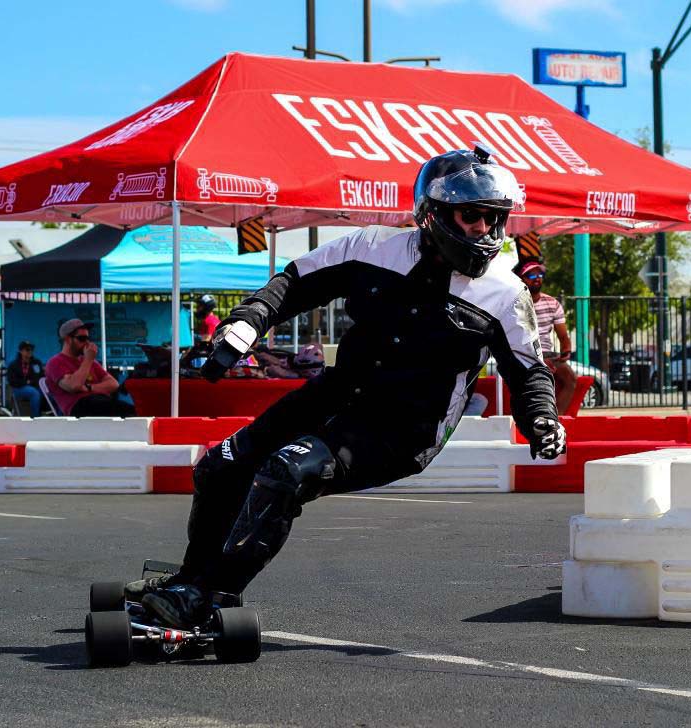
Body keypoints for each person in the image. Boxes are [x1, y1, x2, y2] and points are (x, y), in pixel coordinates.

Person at [132, 145, 566, 628]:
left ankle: (212, 594)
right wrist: (245, 323)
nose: (484, 230)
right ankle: (190, 580)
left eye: (494, 217)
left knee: (286, 472)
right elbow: (293, 284)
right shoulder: (371, 247)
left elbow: (530, 373)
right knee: (220, 467)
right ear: (432, 214)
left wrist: (541, 419)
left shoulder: (506, 295)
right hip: (336, 394)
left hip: (403, 429)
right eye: (471, 216)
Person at [515, 260, 577, 415]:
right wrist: (540, 360)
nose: (537, 278)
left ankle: (556, 419)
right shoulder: (516, 303)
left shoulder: (552, 303)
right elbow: (517, 338)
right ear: (522, 279)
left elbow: (563, 336)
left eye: (540, 274)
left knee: (571, 379)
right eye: (531, 274)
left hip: (548, 353)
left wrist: (566, 351)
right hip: (525, 354)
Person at [44, 319, 133, 417]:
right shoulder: (56, 362)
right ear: (68, 339)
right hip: (78, 407)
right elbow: (74, 386)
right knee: (129, 412)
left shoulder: (89, 361)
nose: (87, 343)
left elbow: (114, 384)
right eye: (82, 338)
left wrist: (88, 388)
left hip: (99, 401)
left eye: (88, 338)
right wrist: (88, 360)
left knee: (134, 411)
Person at [6, 340, 45, 417]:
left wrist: (30, 382)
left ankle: (57, 417)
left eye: (31, 349)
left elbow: (40, 376)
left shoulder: (36, 363)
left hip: (35, 386)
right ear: (21, 351)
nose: (30, 351)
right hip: (18, 388)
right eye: (27, 349)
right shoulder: (13, 365)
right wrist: (26, 382)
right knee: (34, 393)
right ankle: (36, 419)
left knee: (49, 393)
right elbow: (12, 381)